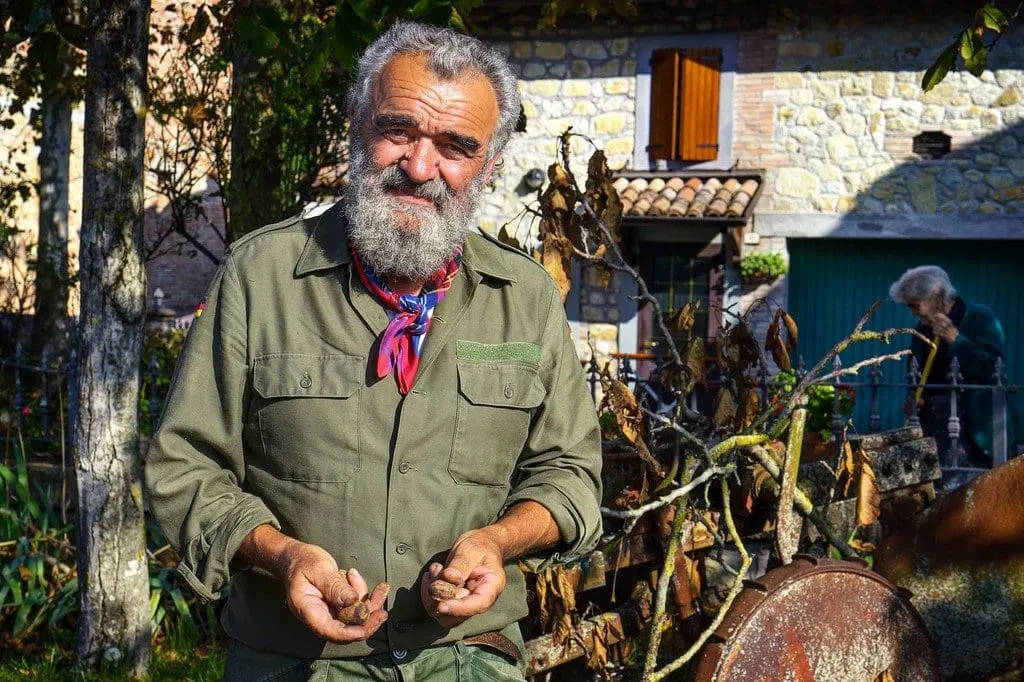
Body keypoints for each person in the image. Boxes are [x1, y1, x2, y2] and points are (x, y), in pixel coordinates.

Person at [144, 22, 603, 681]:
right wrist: (283, 557)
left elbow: (570, 475)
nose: (419, 167)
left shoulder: (525, 297)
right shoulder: (259, 277)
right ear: (357, 127)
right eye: (398, 131)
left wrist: (497, 542)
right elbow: (184, 467)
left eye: (454, 146)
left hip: (470, 658)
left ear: (489, 165)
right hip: (297, 662)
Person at [890, 265, 1017, 469]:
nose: (914, 313)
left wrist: (956, 340)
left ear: (937, 295)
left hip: (974, 433)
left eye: (915, 305)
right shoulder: (922, 330)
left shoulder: (980, 318)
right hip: (934, 429)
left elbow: (995, 369)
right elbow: (916, 376)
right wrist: (914, 399)